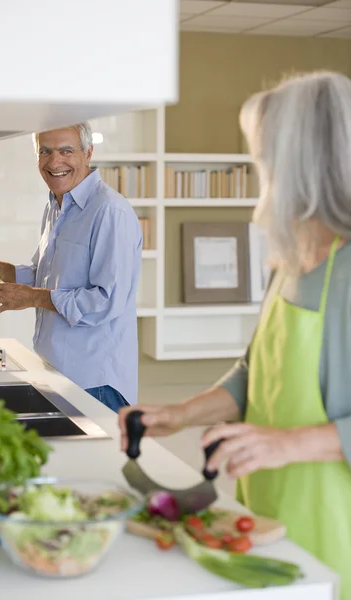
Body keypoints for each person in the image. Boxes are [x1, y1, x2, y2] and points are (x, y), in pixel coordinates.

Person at [119, 71, 351, 598]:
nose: (259, 172)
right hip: (266, 511)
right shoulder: (289, 260)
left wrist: (289, 443)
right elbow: (258, 374)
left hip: (336, 527)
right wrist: (179, 415)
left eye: (264, 157)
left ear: (303, 165)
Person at [0, 122, 143, 412]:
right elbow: (47, 275)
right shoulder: (56, 205)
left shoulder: (110, 211)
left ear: (88, 153)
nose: (54, 162)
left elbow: (105, 301)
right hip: (58, 370)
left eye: (66, 151)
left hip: (94, 382)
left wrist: (31, 297)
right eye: (45, 151)